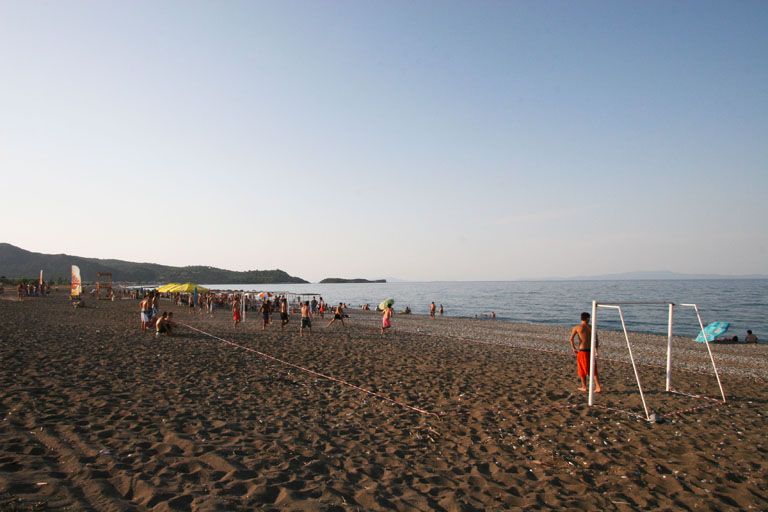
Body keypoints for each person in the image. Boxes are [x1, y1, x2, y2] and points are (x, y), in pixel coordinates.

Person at [569, 312, 602, 393]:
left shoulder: (577, 327)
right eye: (589, 318)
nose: (590, 320)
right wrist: (596, 351)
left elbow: (571, 339)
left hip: (582, 351)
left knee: (582, 369)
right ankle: (598, 386)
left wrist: (573, 348)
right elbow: (596, 340)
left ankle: (584, 387)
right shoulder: (592, 327)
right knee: (593, 369)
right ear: (587, 318)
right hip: (590, 350)